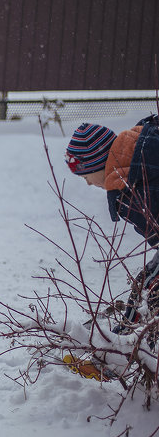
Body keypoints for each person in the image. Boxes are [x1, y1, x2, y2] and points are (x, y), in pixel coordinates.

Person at [66, 118, 159, 329]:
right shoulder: (144, 148)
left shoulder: (132, 187)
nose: (88, 183)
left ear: (98, 163)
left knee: (150, 290)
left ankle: (127, 348)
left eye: (85, 176)